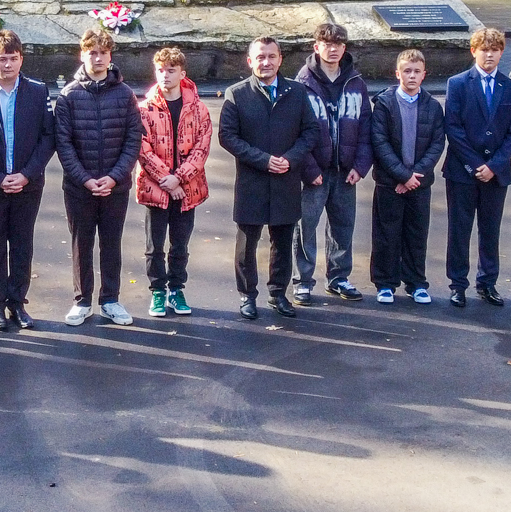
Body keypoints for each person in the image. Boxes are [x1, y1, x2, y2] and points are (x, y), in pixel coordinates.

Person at [217, 37, 320, 319]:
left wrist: (290, 158)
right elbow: (227, 136)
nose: (266, 62)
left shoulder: (297, 93)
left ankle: (278, 293)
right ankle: (247, 296)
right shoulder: (236, 94)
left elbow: (310, 131)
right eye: (260, 57)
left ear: (280, 59)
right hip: (252, 180)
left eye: (271, 56)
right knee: (247, 244)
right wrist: (263, 160)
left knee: (283, 241)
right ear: (250, 61)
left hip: (286, 179)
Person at [0, 31, 56, 331]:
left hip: (27, 185)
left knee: (21, 246)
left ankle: (17, 303)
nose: (7, 65)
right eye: (1, 59)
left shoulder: (37, 91)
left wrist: (26, 174)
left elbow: (47, 138)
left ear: (21, 60)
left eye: (13, 59)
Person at [57, 29, 144, 327]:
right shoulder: (69, 95)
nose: (97, 57)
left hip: (115, 188)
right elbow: (63, 143)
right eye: (91, 52)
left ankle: (110, 299)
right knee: (82, 244)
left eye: (102, 52)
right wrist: (84, 179)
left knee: (111, 243)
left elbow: (134, 139)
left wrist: (115, 177)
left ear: (110, 56)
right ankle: (82, 301)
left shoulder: (125, 94)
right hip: (79, 188)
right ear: (82, 54)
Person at [442, 27, 511, 306]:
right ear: (474, 51)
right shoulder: (458, 83)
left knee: (490, 230)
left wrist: (495, 165)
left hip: (496, 173)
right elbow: (453, 128)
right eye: (484, 49)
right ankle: (458, 284)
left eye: (495, 50)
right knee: (460, 229)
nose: (489, 55)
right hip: (462, 171)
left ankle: (487, 282)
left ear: (501, 52)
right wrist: (476, 164)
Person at [293, 22, 371, 303]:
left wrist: (360, 166)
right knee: (305, 226)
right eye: (327, 43)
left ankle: (339, 278)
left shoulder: (356, 83)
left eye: (338, 44)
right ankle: (303, 280)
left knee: (342, 226)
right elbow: (296, 131)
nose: (333, 48)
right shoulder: (302, 84)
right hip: (314, 173)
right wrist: (309, 169)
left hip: (346, 171)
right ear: (317, 47)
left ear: (344, 48)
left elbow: (365, 127)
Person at [136, 46, 211, 316]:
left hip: (187, 190)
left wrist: (179, 179)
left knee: (180, 244)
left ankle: (176, 289)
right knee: (154, 245)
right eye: (160, 70)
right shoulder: (144, 109)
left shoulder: (199, 110)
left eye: (171, 70)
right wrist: (166, 180)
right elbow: (142, 149)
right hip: (156, 189)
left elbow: (201, 149)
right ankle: (157, 291)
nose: (164, 75)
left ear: (182, 73)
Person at [369, 49, 445, 304]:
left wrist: (415, 178)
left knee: (416, 233)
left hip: (419, 185)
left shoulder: (433, 107)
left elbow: (437, 143)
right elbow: (379, 142)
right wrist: (402, 176)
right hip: (389, 182)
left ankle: (416, 283)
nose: (411, 76)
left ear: (424, 75)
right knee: (386, 233)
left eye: (416, 71)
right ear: (397, 73)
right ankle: (385, 283)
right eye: (407, 71)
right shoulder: (384, 104)